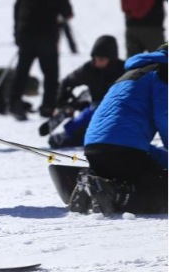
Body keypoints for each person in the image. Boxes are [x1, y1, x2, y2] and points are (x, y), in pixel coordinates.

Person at [69, 43, 169, 216]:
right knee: (160, 191)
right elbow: (164, 115)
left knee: (154, 158)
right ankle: (115, 192)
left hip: (95, 148)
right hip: (124, 149)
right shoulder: (164, 71)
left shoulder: (133, 72)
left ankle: (95, 180)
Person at [8, 0, 74, 121]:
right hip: (47, 37)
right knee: (51, 73)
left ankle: (14, 103)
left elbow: (17, 7)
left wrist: (17, 32)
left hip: (26, 34)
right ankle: (48, 107)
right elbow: (67, 13)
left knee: (22, 71)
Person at [45, 35, 126, 148]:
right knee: (82, 125)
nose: (97, 62)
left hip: (119, 111)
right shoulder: (89, 69)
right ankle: (68, 135)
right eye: (95, 58)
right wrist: (62, 103)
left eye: (101, 59)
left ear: (111, 58)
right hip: (95, 108)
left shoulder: (124, 69)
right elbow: (66, 82)